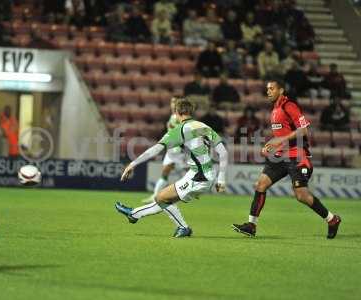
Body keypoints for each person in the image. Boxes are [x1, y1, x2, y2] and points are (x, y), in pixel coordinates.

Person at [232, 79, 341, 239]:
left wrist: (281, 140)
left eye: (272, 88)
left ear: (281, 90)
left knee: (301, 196)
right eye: (267, 89)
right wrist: (271, 143)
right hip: (280, 156)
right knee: (260, 185)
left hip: (297, 155)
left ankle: (332, 219)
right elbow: (281, 135)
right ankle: (251, 225)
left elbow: (303, 130)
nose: (268, 91)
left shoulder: (289, 105)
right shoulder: (275, 109)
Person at [115, 98, 228, 237]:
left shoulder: (181, 130)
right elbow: (223, 152)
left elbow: (155, 149)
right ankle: (134, 214)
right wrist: (221, 179)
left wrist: (132, 164)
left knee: (160, 197)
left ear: (177, 113)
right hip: (202, 174)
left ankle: (183, 227)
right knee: (164, 199)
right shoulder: (204, 126)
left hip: (199, 177)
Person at [143, 97, 189, 204]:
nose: (173, 104)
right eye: (172, 102)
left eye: (175, 102)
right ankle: (155, 197)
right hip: (171, 149)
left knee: (187, 172)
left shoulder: (180, 117)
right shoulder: (173, 116)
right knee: (166, 173)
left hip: (178, 150)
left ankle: (191, 191)